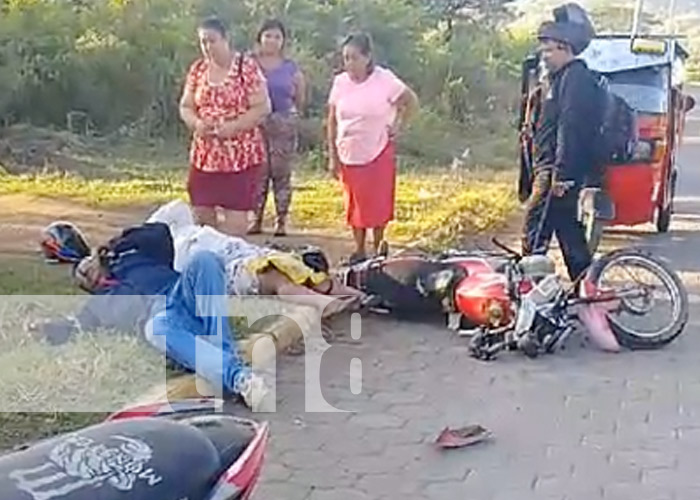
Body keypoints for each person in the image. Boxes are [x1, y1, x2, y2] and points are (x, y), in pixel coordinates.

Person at [38, 222, 269, 411]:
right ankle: (240, 377)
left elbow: (159, 232)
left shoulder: (135, 257)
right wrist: (45, 329)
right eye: (84, 280)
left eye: (87, 269)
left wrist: (113, 245)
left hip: (182, 293)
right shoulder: (98, 304)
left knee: (205, 260)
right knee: (156, 328)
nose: (89, 277)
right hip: (166, 320)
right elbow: (74, 327)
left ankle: (223, 356)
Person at [146, 200, 372, 314]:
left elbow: (176, 207)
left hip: (244, 250)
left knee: (305, 271)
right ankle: (330, 305)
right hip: (230, 267)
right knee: (274, 276)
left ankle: (361, 298)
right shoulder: (167, 259)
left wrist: (140, 233)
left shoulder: (183, 229)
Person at [521, 3, 600, 282]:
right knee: (570, 235)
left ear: (566, 48)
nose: (544, 55)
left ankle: (531, 294)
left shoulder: (576, 78)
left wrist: (563, 174)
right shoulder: (557, 78)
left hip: (556, 171)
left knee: (535, 232)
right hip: (552, 169)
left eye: (549, 49)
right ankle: (587, 292)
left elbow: (572, 126)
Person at [326, 33, 418, 263]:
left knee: (377, 202)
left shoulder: (384, 80)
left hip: (377, 149)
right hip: (348, 150)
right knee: (354, 202)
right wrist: (332, 155)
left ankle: (379, 246)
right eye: (346, 58)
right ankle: (359, 249)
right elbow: (331, 120)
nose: (350, 64)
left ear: (367, 58)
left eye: (355, 58)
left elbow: (410, 101)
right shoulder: (340, 83)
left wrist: (399, 124)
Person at [179, 16, 271, 237]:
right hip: (205, 156)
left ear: (226, 39)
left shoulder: (245, 67)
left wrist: (234, 127)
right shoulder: (198, 70)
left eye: (212, 41)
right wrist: (197, 124)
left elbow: (263, 107)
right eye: (203, 42)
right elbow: (186, 106)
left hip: (239, 156)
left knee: (235, 226)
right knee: (202, 221)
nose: (208, 47)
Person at [249, 19, 307, 237]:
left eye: (277, 36)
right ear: (260, 38)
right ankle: (256, 219)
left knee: (281, 174)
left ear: (283, 41)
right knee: (257, 172)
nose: (272, 41)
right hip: (255, 122)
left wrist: (292, 116)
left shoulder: (289, 67)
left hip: (283, 122)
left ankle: (281, 221)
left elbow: (300, 93)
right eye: (268, 35)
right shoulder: (249, 63)